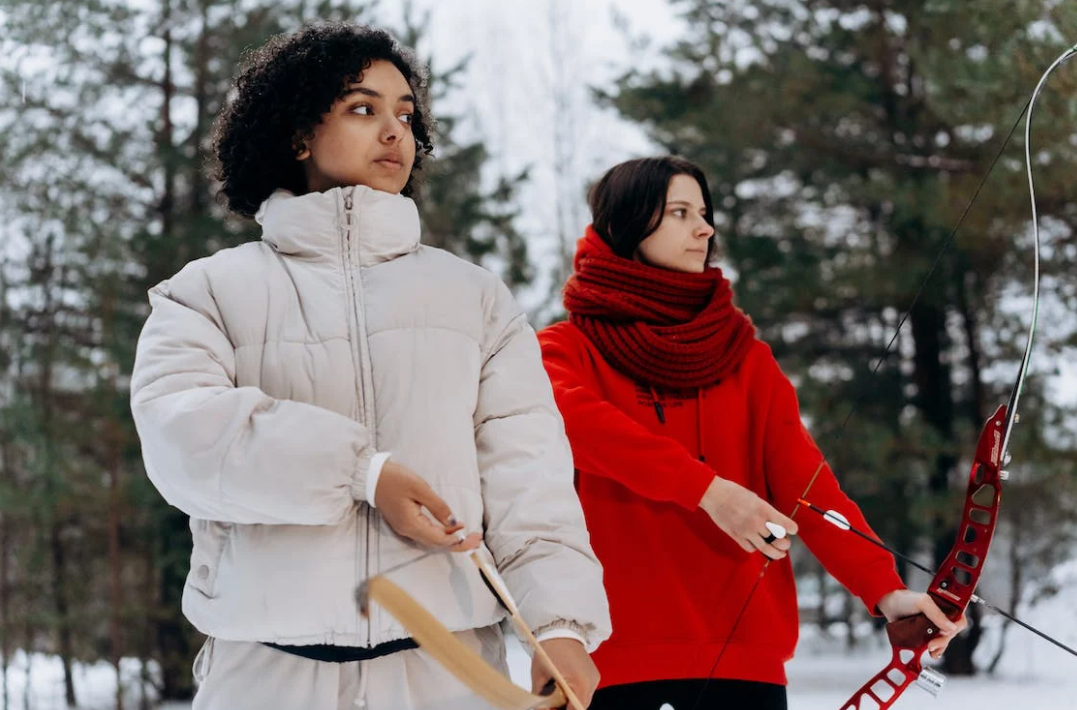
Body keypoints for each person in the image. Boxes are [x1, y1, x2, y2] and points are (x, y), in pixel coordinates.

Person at [129, 22, 609, 710]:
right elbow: (185, 441)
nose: (394, 132)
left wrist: (559, 623)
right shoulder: (206, 291)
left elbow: (528, 483)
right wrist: (362, 473)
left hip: (449, 676)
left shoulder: (473, 297)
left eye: (405, 115)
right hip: (265, 680)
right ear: (297, 134)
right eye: (363, 108)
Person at [537, 156, 967, 709]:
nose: (705, 227)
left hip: (745, 662)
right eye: (680, 212)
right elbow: (579, 427)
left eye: (704, 212)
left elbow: (810, 489)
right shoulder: (564, 350)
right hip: (609, 664)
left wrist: (885, 590)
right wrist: (709, 492)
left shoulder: (746, 361)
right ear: (627, 224)